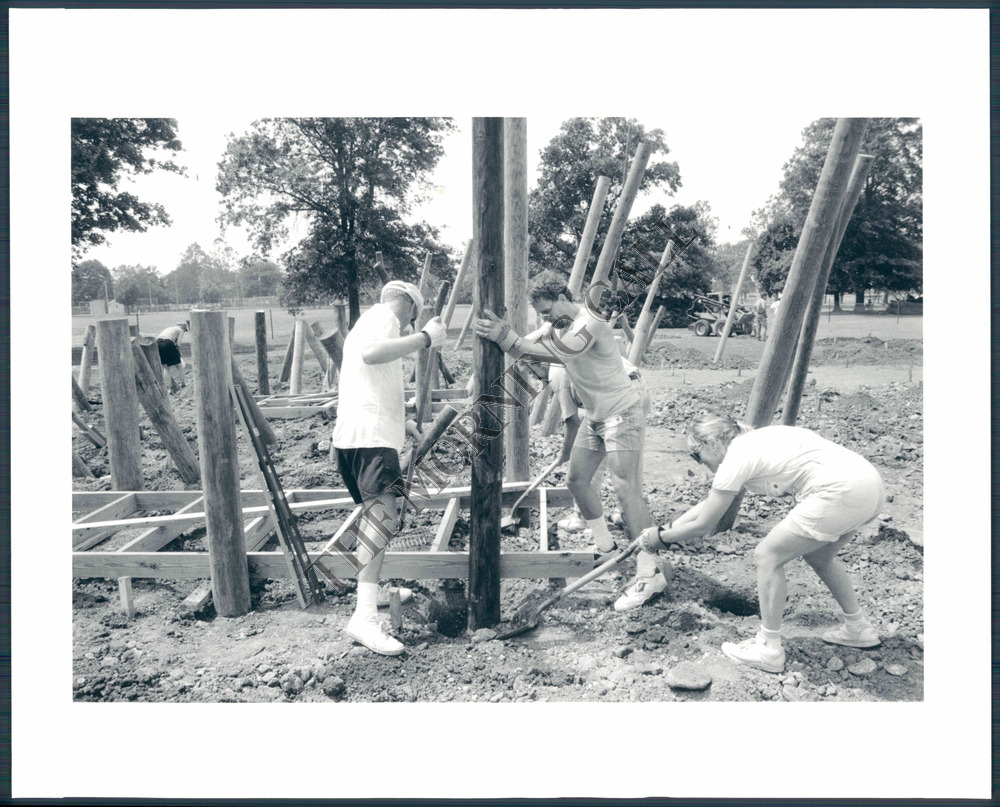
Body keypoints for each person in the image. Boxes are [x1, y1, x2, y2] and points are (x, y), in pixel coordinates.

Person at [475, 270, 670, 612]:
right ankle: (607, 549)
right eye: (542, 314)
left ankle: (649, 571)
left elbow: (561, 354)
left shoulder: (590, 321)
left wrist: (509, 339)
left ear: (563, 297)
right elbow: (527, 344)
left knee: (626, 489)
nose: (546, 318)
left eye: (548, 311)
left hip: (622, 413)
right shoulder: (557, 324)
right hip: (595, 417)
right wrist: (499, 335)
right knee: (577, 481)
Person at [636, 414, 886, 674]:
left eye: (696, 456)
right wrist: (663, 529)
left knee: (767, 556)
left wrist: (658, 540)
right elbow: (708, 506)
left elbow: (705, 525)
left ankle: (768, 648)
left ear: (710, 443)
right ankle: (858, 628)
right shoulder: (757, 441)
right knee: (820, 557)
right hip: (869, 486)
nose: (702, 465)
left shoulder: (735, 457)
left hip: (838, 491)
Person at [331, 280, 447, 655]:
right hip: (370, 438)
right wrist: (425, 339)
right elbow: (373, 354)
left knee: (374, 520)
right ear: (411, 308)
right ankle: (364, 618)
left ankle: (370, 590)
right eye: (415, 317)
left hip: (356, 436)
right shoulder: (383, 318)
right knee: (383, 520)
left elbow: (372, 381)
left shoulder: (365, 321)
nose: (413, 324)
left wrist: (406, 424)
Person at [156, 322, 189, 392]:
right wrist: (179, 352)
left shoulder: (170, 328)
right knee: (179, 366)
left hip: (158, 343)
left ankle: (170, 388)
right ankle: (183, 384)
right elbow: (178, 344)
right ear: (183, 328)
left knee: (166, 367)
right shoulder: (181, 330)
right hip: (168, 342)